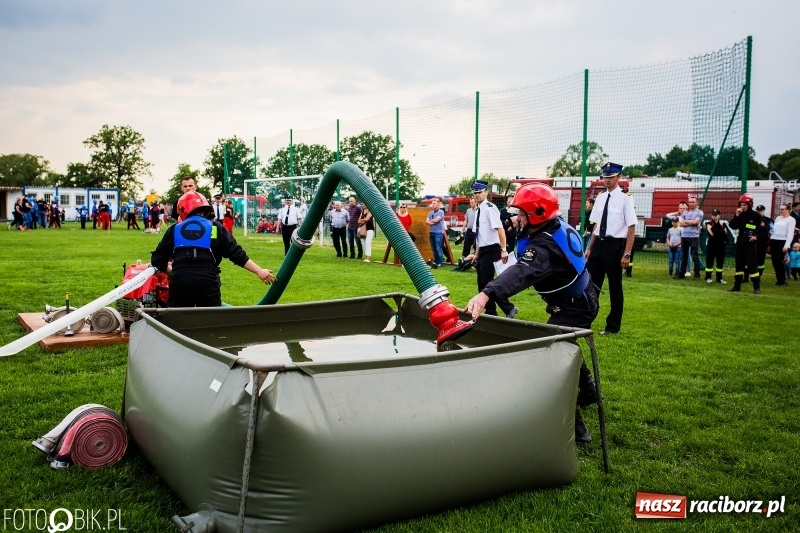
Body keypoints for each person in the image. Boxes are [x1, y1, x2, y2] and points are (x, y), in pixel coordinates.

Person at [465, 183, 599, 443]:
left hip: (573, 307)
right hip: (583, 298)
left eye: (521, 214)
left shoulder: (543, 247)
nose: (516, 218)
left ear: (536, 214)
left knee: (552, 358)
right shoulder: (554, 225)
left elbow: (522, 272)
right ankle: (589, 392)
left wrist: (486, 293)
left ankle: (578, 431)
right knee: (565, 345)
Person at [151, 191, 276, 307]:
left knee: (176, 321)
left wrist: (169, 271)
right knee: (210, 323)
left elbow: (157, 259)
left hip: (181, 279)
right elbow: (237, 254)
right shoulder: (216, 228)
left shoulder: (175, 229)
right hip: (208, 280)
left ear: (182, 210)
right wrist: (259, 271)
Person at [585, 162, 636, 335]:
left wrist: (627, 253)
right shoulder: (599, 198)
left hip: (615, 246)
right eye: (605, 177)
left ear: (618, 177)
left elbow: (631, 227)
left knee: (615, 286)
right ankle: (585, 322)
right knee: (591, 285)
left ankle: (612, 326)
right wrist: (589, 248)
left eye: (610, 178)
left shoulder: (625, 198)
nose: (607, 181)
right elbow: (596, 225)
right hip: (599, 244)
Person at [471, 181, 517, 318]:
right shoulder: (478, 210)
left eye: (479, 192)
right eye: (475, 193)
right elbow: (480, 234)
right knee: (482, 283)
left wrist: (503, 249)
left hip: (493, 249)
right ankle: (492, 311)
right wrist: (476, 254)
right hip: (483, 250)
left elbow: (500, 230)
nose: (477, 195)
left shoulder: (490, 208)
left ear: (486, 192)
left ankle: (507, 308)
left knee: (487, 283)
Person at [728, 194, 762, 294]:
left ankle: (756, 287)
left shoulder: (755, 215)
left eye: (745, 204)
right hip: (740, 243)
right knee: (739, 266)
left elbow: (764, 229)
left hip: (750, 244)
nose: (742, 206)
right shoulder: (740, 214)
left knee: (752, 266)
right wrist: (737, 215)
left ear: (750, 204)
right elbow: (733, 226)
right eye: (741, 204)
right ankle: (737, 286)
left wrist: (756, 236)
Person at [676, 196, 704, 279]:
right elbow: (680, 223)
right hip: (684, 236)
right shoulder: (685, 213)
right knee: (683, 256)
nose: (691, 204)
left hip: (694, 237)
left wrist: (687, 222)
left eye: (693, 202)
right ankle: (682, 274)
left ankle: (697, 274)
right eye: (690, 202)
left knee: (694, 256)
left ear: (696, 203)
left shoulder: (700, 212)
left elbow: (696, 222)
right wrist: (691, 222)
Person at [770, 203, 796, 286]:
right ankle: (779, 279)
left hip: (782, 241)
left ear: (788, 210)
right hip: (774, 240)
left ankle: (782, 280)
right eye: (780, 209)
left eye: (782, 209)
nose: (781, 211)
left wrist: (787, 245)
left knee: (779, 261)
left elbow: (790, 233)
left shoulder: (791, 219)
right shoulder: (778, 218)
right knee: (774, 261)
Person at [704, 209, 729, 284]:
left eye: (716, 215)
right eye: (713, 215)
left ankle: (719, 278)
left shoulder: (722, 224)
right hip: (711, 245)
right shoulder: (708, 223)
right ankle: (708, 277)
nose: (714, 216)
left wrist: (719, 231)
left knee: (720, 262)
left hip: (721, 246)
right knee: (709, 261)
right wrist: (720, 232)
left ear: (719, 215)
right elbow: (711, 234)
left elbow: (725, 234)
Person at [425, 196, 446, 268]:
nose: (432, 204)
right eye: (432, 203)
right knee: (433, 248)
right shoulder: (430, 212)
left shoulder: (441, 212)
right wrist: (431, 222)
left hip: (438, 233)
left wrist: (430, 221)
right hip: (432, 232)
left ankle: (440, 262)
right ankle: (436, 261)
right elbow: (426, 221)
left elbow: (436, 220)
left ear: (438, 204)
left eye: (434, 203)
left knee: (438, 248)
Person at [754, 205, 772, 277]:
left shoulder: (767, 220)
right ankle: (746, 276)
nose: (759, 212)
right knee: (751, 259)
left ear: (763, 211)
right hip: (753, 242)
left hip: (762, 243)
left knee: (761, 259)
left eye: (760, 210)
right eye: (758, 210)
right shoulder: (753, 219)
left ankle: (759, 274)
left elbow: (770, 230)